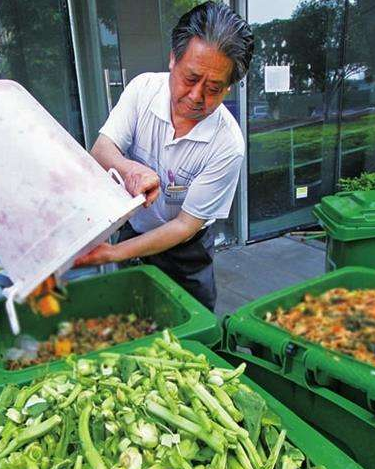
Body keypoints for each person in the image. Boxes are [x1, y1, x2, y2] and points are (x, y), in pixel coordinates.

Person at [74, 1, 254, 311]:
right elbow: (102, 150)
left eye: (214, 88)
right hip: (135, 226)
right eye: (190, 78)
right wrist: (129, 169)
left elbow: (185, 226)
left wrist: (115, 253)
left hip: (187, 252)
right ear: (173, 58)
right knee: (130, 318)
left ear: (229, 87)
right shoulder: (143, 90)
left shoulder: (227, 144)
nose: (197, 97)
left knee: (190, 329)